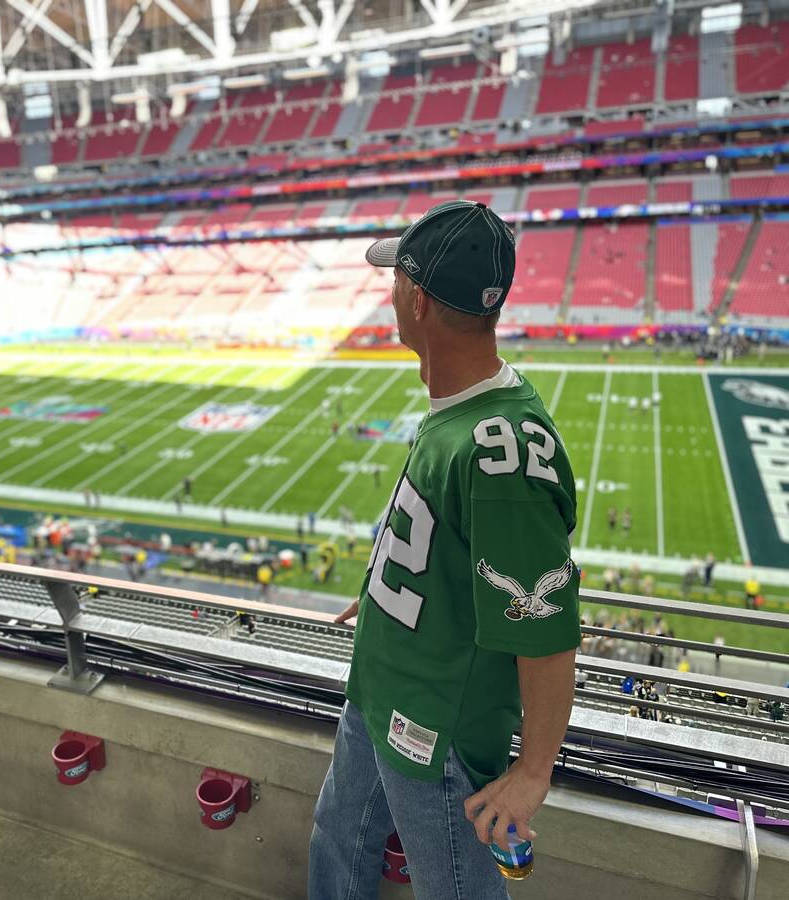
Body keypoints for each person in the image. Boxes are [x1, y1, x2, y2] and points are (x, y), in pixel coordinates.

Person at [311, 201, 580, 899]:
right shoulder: (461, 407)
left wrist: (533, 771)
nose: (388, 293)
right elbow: (440, 537)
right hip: (382, 685)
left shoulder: (504, 454)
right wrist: (385, 587)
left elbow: (545, 631)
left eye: (396, 279)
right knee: (337, 844)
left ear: (419, 300)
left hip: (437, 730)